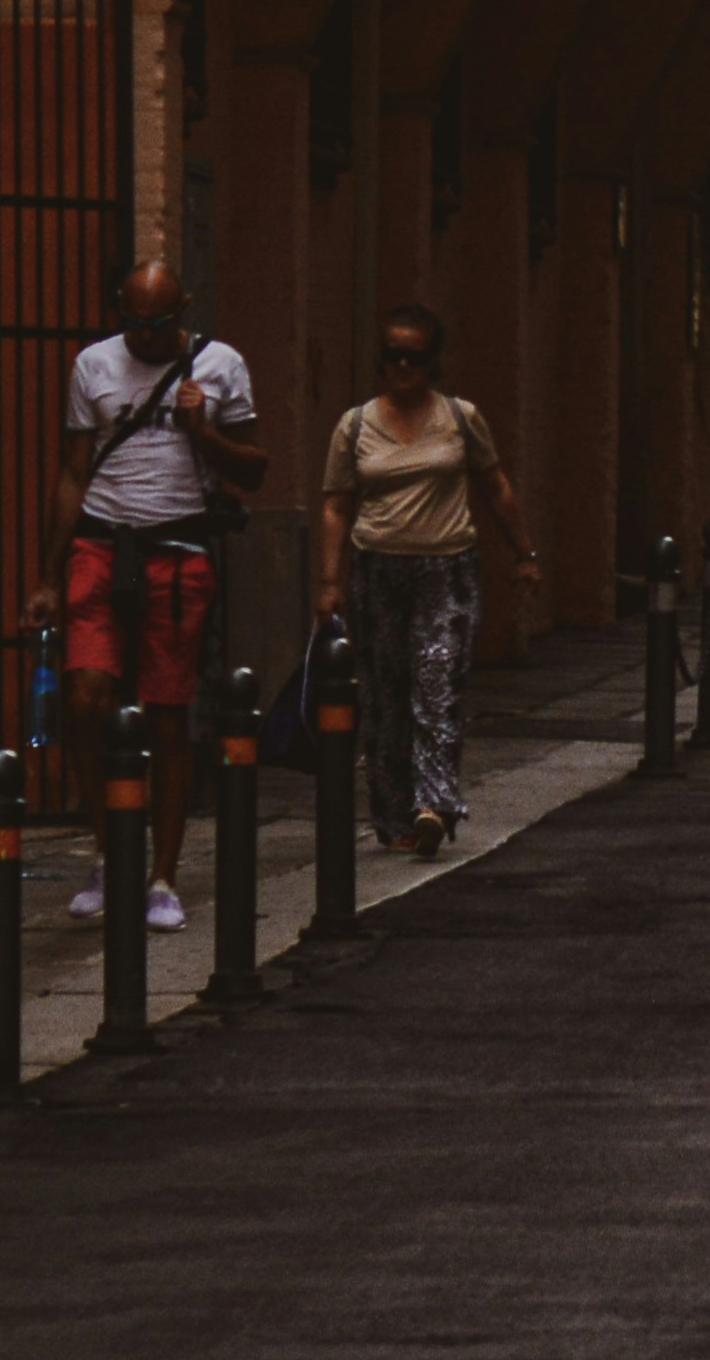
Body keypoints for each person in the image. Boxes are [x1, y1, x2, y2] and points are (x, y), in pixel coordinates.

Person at [38, 255, 264, 930]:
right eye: (134, 322)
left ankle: (163, 877)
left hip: (178, 550)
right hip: (101, 545)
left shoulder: (222, 365)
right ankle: (109, 857)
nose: (145, 335)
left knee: (168, 719)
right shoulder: (93, 365)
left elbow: (255, 469)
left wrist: (204, 432)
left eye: (160, 322)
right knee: (85, 697)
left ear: (184, 309)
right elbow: (73, 472)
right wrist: (47, 576)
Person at [311, 302, 537, 858]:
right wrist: (330, 581)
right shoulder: (356, 424)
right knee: (386, 697)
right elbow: (337, 505)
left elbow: (495, 485)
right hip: (377, 568)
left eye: (414, 357)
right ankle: (395, 817)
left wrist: (524, 552)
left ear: (433, 361)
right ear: (381, 360)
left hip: (448, 567)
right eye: (393, 356)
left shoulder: (460, 417)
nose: (403, 366)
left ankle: (434, 804)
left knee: (437, 684)